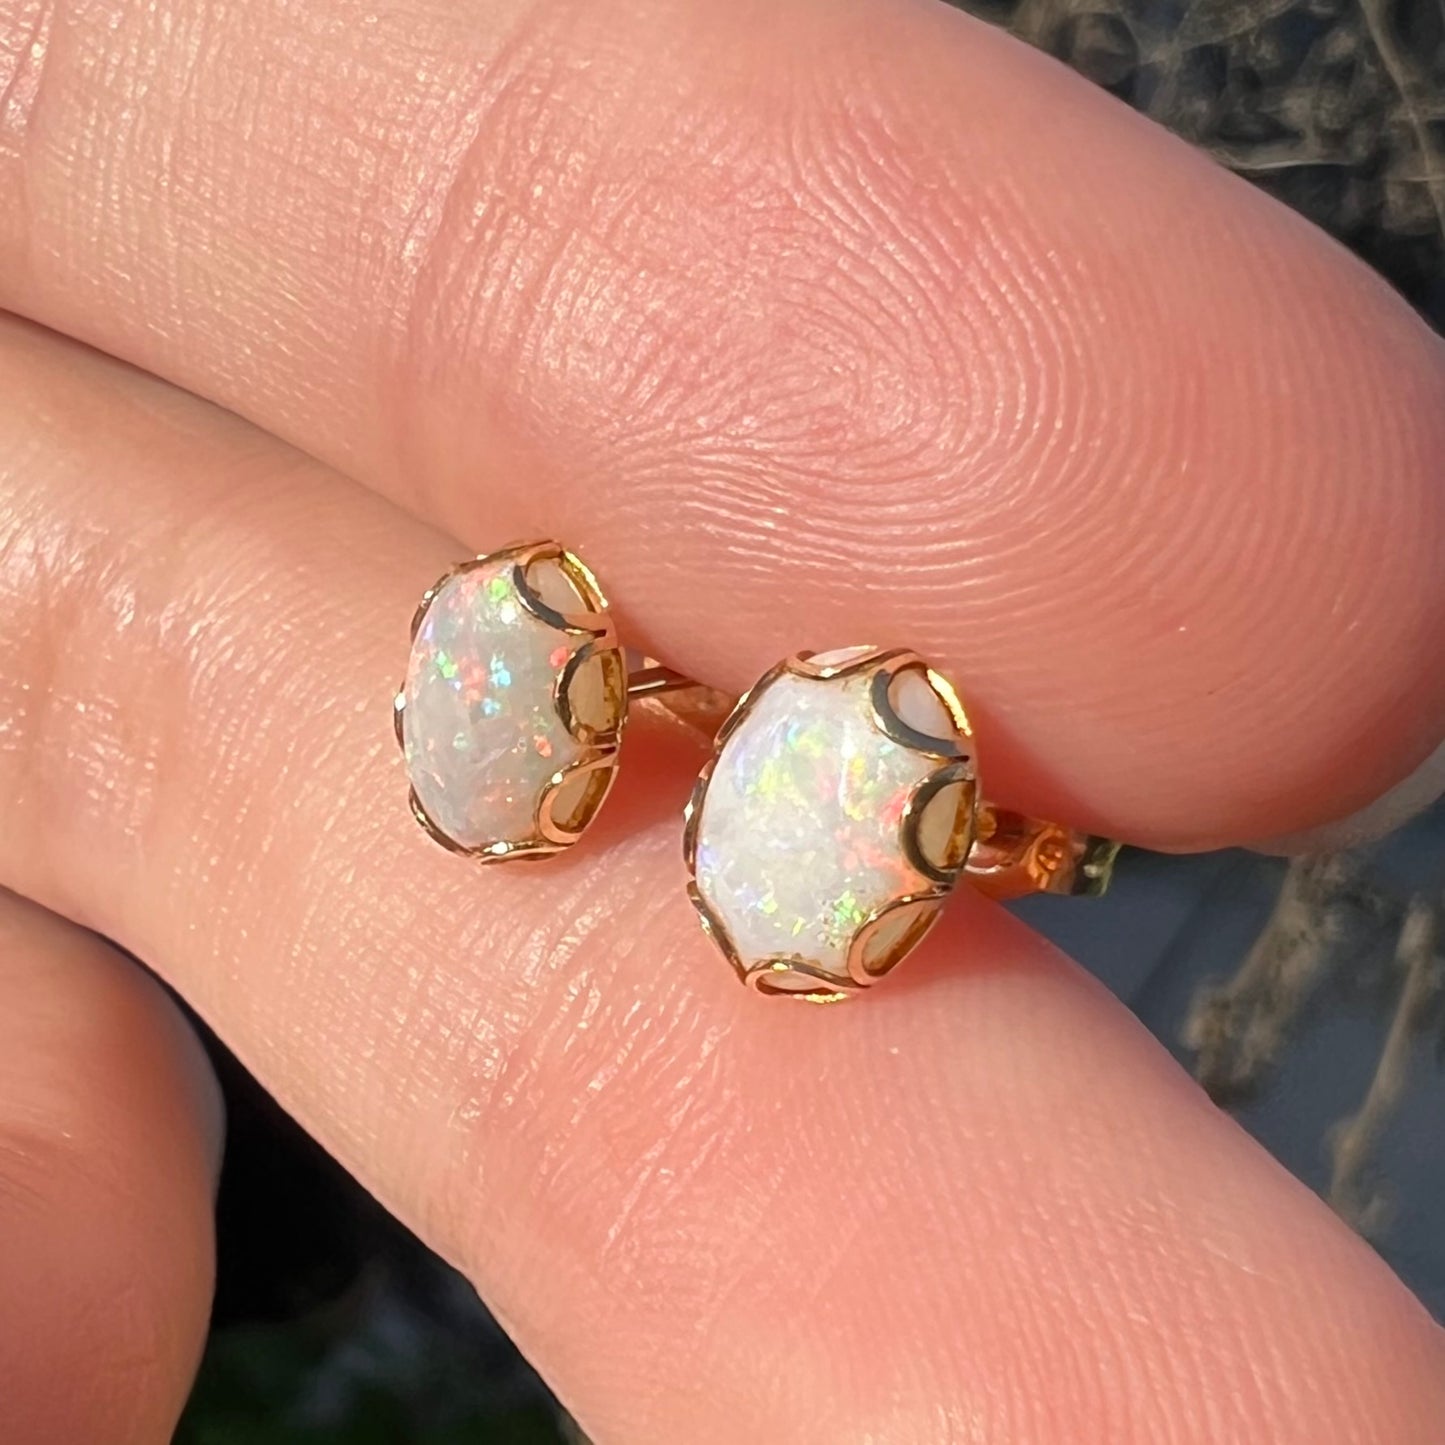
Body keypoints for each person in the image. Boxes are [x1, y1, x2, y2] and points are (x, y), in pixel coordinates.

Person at [0, 0, 1442, 1439]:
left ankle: (1018, 840)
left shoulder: (795, 779)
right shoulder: (598, 715)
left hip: (950, 818)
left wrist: (987, 841)